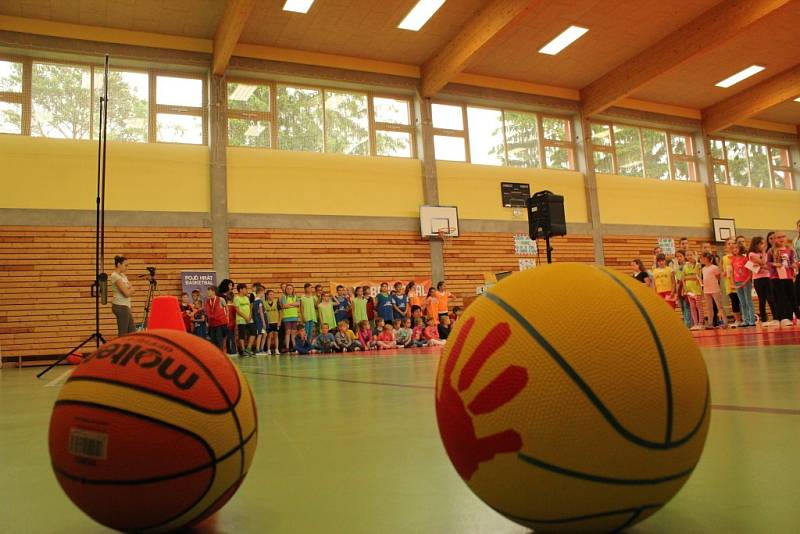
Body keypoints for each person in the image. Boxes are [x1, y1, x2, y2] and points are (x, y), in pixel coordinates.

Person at [767, 231, 798, 327]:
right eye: (778, 237)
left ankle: (797, 316)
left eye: (783, 236)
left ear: (786, 238)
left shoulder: (790, 250)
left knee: (792, 296)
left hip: (788, 277)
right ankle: (784, 318)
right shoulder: (771, 251)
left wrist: (794, 265)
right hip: (776, 277)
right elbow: (767, 263)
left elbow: (793, 262)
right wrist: (774, 264)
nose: (781, 239)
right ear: (774, 239)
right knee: (781, 297)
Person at [748, 237, 777, 326]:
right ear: (756, 244)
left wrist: (763, 265)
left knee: (771, 298)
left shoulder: (764, 253)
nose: (763, 245)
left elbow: (766, 265)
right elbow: (763, 262)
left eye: (764, 244)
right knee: (762, 299)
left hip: (767, 277)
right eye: (761, 244)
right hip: (758, 279)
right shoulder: (752, 254)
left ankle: (775, 318)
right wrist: (764, 254)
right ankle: (764, 320)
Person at [109, 255, 135, 335]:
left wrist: (130, 290)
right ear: (119, 265)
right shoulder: (115, 276)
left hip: (126, 306)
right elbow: (127, 293)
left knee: (132, 332)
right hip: (120, 306)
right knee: (123, 333)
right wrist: (130, 290)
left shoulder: (123, 276)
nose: (127, 268)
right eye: (125, 265)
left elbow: (132, 289)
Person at [700, 252, 727, 329]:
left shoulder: (714, 267)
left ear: (707, 259)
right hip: (706, 290)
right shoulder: (703, 269)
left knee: (719, 306)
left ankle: (725, 322)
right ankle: (710, 323)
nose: (701, 259)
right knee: (709, 307)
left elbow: (718, 278)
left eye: (703, 258)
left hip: (714, 289)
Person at [732, 243, 755, 327]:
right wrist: (733, 282)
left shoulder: (745, 259)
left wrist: (746, 282)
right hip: (737, 283)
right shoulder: (733, 259)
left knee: (748, 301)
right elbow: (732, 272)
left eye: (736, 248)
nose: (735, 249)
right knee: (742, 302)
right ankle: (745, 320)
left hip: (746, 282)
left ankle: (752, 320)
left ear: (740, 249)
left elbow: (750, 272)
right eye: (733, 248)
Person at [722, 238, 742, 327]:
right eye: (728, 244)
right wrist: (724, 273)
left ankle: (746, 318)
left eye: (732, 243)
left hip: (740, 281)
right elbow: (721, 272)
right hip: (729, 283)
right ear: (726, 246)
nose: (730, 245)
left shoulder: (740, 256)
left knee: (742, 300)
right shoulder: (724, 258)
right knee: (734, 301)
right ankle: (737, 320)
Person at [683, 251, 703, 330]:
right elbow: (683, 278)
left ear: (694, 255)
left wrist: (689, 277)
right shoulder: (685, 266)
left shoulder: (698, 265)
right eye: (687, 255)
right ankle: (695, 323)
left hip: (697, 289)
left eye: (691, 255)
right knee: (692, 307)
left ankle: (701, 322)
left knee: (699, 306)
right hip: (689, 289)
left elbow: (697, 277)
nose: (689, 256)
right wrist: (685, 289)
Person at [204, 285, 228, 351]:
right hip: (212, 324)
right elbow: (207, 312)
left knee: (219, 340)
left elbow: (226, 308)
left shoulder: (221, 299)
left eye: (209, 290)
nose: (207, 292)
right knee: (213, 341)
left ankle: (221, 355)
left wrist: (227, 319)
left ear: (213, 291)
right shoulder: (207, 301)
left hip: (220, 323)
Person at [234, 283, 255, 356]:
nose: (247, 290)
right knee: (242, 335)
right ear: (241, 290)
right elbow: (237, 310)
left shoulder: (246, 298)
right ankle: (243, 350)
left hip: (249, 319)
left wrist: (249, 317)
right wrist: (245, 317)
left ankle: (248, 349)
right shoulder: (236, 298)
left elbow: (250, 308)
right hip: (241, 319)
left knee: (253, 332)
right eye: (245, 289)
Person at [673, 250, 692, 327]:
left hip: (687, 288)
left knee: (687, 306)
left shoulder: (688, 265)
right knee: (683, 307)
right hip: (680, 290)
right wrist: (677, 293)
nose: (679, 258)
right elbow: (677, 280)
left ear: (684, 257)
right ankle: (687, 323)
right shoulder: (677, 268)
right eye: (677, 257)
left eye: (680, 256)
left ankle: (687, 324)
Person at [280, 284, 300, 353]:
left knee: (293, 332)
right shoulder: (283, 296)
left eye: (290, 288)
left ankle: (294, 346)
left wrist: (290, 305)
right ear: (285, 290)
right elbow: (284, 305)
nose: (289, 290)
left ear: (293, 289)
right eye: (287, 288)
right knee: (288, 332)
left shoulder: (295, 296)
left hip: (294, 316)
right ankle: (287, 347)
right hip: (287, 317)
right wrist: (293, 304)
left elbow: (298, 304)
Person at [252, 285, 267, 355]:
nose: (263, 294)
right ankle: (258, 350)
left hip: (259, 320)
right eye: (263, 293)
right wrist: (263, 322)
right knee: (260, 334)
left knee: (264, 334)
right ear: (260, 292)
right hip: (259, 321)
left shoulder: (255, 301)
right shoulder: (259, 301)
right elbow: (260, 312)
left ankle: (261, 349)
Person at [265, 289, 280, 355]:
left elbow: (280, 313)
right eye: (270, 294)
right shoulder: (264, 303)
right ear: (267, 295)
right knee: (269, 336)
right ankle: (268, 349)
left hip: (276, 321)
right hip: (268, 322)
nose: (272, 296)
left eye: (273, 294)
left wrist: (279, 322)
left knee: (276, 335)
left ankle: (276, 349)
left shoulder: (276, 302)